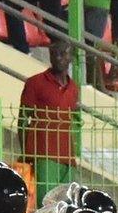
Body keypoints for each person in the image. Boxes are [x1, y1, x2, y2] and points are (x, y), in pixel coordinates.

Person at [19, 43, 80, 191]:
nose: (58, 58)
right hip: (43, 154)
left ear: (71, 57)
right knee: (45, 202)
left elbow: (73, 120)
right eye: (54, 54)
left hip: (67, 157)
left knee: (67, 203)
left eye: (63, 54)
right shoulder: (35, 83)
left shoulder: (73, 88)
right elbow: (22, 120)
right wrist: (26, 153)